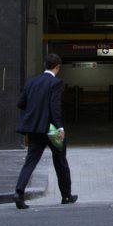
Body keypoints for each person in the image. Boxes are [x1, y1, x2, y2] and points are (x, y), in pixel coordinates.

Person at [13, 53, 78, 208]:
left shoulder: (31, 82)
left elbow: (20, 103)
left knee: (30, 162)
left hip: (35, 129)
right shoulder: (56, 83)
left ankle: (19, 193)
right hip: (51, 130)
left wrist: (35, 109)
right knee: (60, 161)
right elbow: (55, 106)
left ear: (45, 65)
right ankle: (66, 196)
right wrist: (60, 127)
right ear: (57, 67)